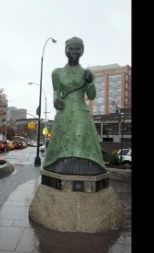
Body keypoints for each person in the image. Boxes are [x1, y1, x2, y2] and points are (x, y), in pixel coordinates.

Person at [43, 37, 107, 175]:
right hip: (64, 111)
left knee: (80, 139)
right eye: (71, 48)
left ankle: (84, 170)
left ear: (82, 51)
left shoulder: (87, 73)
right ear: (66, 50)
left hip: (80, 111)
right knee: (60, 142)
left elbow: (91, 96)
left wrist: (90, 82)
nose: (74, 51)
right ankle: (58, 168)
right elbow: (56, 91)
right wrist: (55, 100)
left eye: (78, 48)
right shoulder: (57, 72)